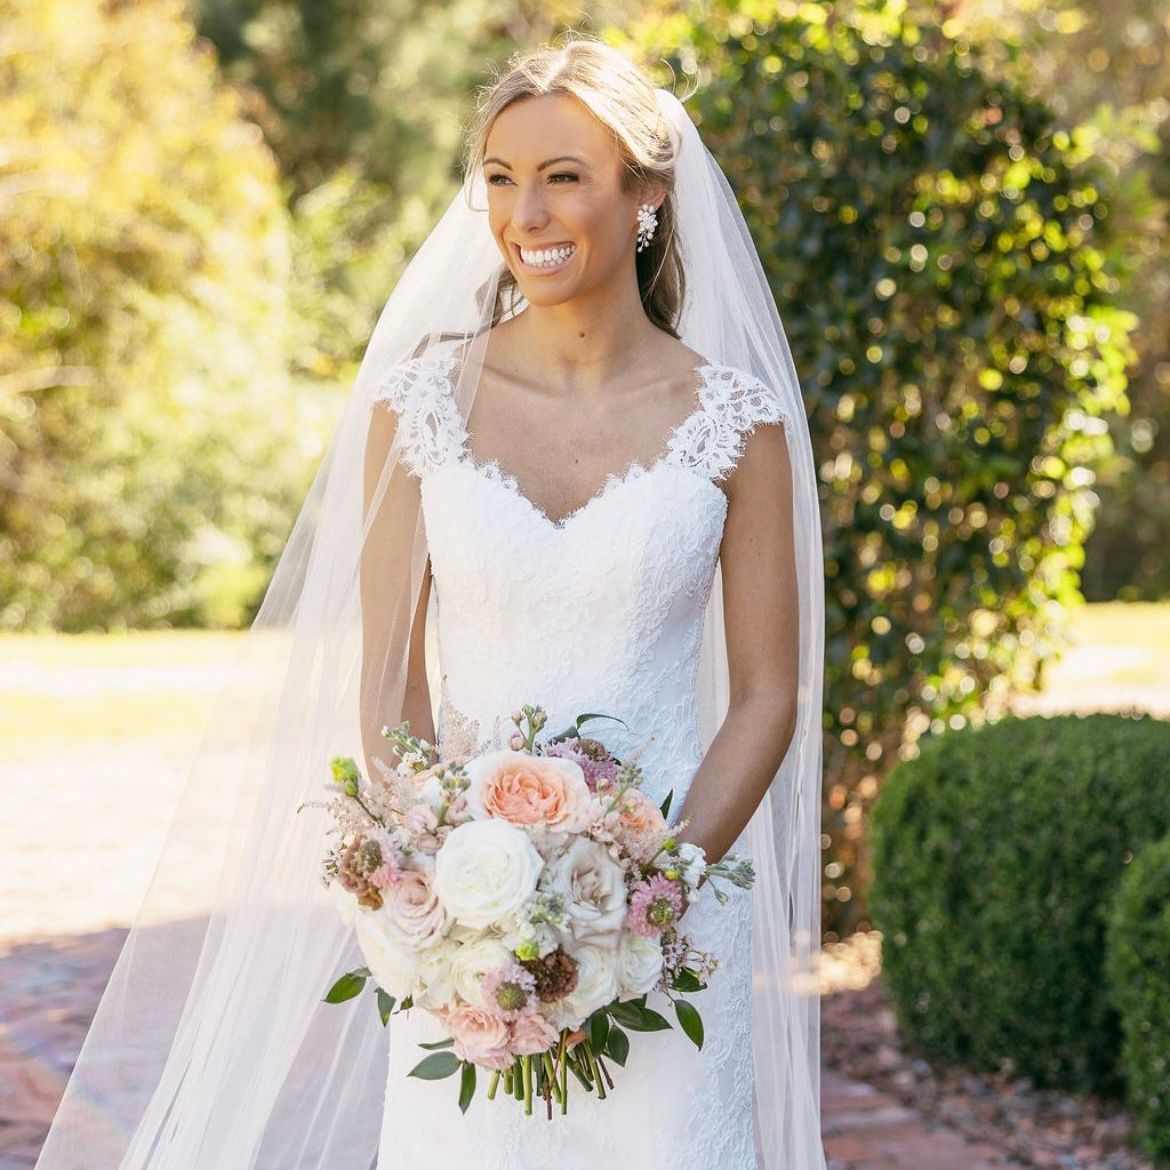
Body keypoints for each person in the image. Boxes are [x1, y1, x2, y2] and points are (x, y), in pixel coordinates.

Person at [33, 32, 827, 1170]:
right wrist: (443, 879)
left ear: (647, 193)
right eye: (501, 178)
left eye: (565, 176)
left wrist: (649, 902)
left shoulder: (736, 423)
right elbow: (390, 676)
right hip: (468, 925)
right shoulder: (421, 406)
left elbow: (766, 695)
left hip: (671, 924)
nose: (527, 213)